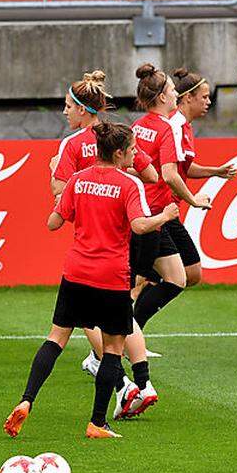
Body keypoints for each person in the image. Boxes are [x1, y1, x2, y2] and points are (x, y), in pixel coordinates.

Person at [4, 123, 179, 440]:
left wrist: (60, 196)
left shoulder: (76, 180)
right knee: (113, 347)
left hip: (75, 272)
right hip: (110, 276)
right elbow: (140, 226)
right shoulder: (128, 184)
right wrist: (165, 216)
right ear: (118, 153)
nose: (136, 153)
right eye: (133, 149)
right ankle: (97, 423)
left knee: (56, 338)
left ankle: (26, 400)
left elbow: (53, 223)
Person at [49, 71, 161, 419]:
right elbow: (152, 176)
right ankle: (144, 382)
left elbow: (59, 192)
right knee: (123, 315)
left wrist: (55, 170)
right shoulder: (120, 135)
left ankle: (124, 385)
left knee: (87, 319)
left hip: (93, 245)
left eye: (68, 106)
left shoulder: (72, 144)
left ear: (83, 110)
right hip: (125, 236)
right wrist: (121, 180)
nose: (65, 112)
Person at [129, 64, 212, 332]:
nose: (176, 94)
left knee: (176, 276)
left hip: (144, 211)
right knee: (171, 279)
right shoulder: (167, 128)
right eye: (173, 90)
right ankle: (116, 345)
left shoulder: (138, 126)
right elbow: (170, 174)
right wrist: (194, 200)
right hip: (157, 214)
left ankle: (126, 339)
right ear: (163, 97)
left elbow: (131, 167)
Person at [169, 67, 237, 289]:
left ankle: (131, 318)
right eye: (205, 97)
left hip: (166, 209)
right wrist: (193, 199)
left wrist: (215, 171)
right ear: (188, 98)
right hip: (160, 209)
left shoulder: (183, 126)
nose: (208, 102)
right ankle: (131, 319)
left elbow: (183, 168)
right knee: (186, 272)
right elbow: (169, 173)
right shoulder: (175, 126)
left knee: (187, 273)